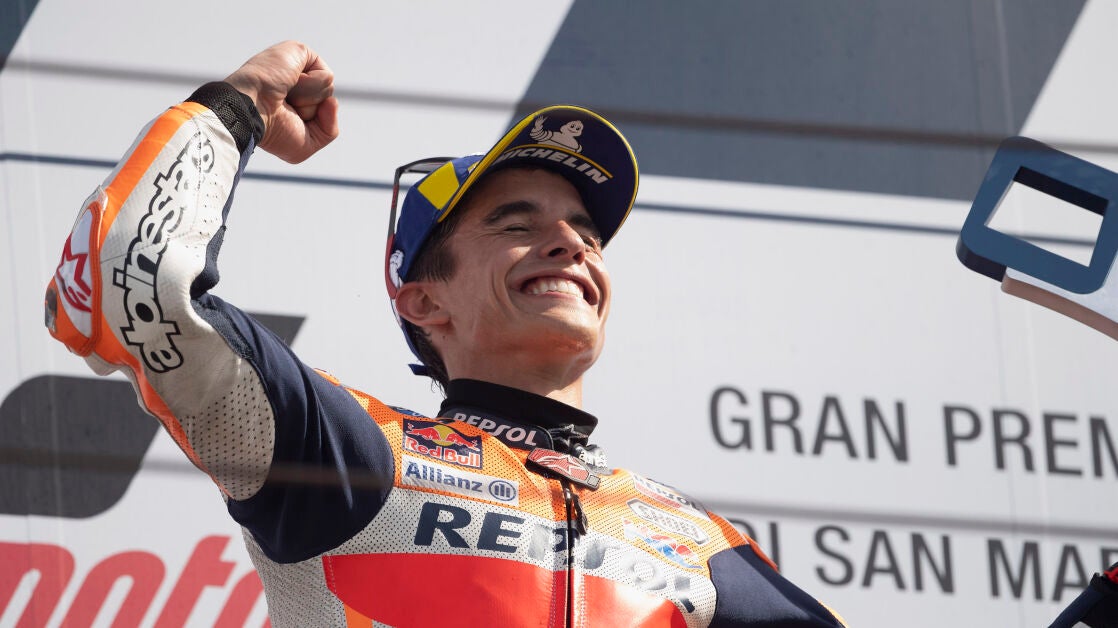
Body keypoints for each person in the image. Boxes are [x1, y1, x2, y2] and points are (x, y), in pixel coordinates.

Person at [45, 41, 848, 627]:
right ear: (424, 301)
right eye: (517, 225)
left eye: (586, 233)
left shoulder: (698, 545)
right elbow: (131, 289)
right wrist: (238, 105)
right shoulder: (356, 456)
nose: (570, 244)